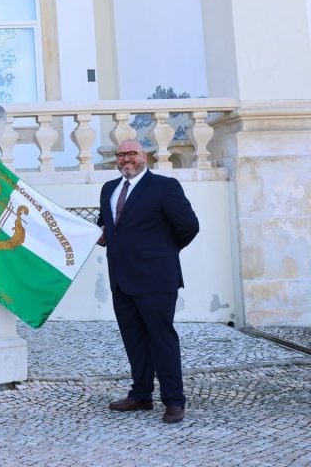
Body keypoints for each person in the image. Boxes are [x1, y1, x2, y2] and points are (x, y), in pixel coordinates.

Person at [98, 140, 199, 424]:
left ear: (144, 156)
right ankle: (141, 394)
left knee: (161, 340)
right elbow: (106, 223)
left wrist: (164, 252)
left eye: (132, 153)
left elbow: (189, 226)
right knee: (134, 341)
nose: (126, 159)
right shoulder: (109, 189)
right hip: (121, 279)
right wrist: (102, 233)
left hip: (156, 279)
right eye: (121, 155)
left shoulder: (165, 187)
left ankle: (174, 400)